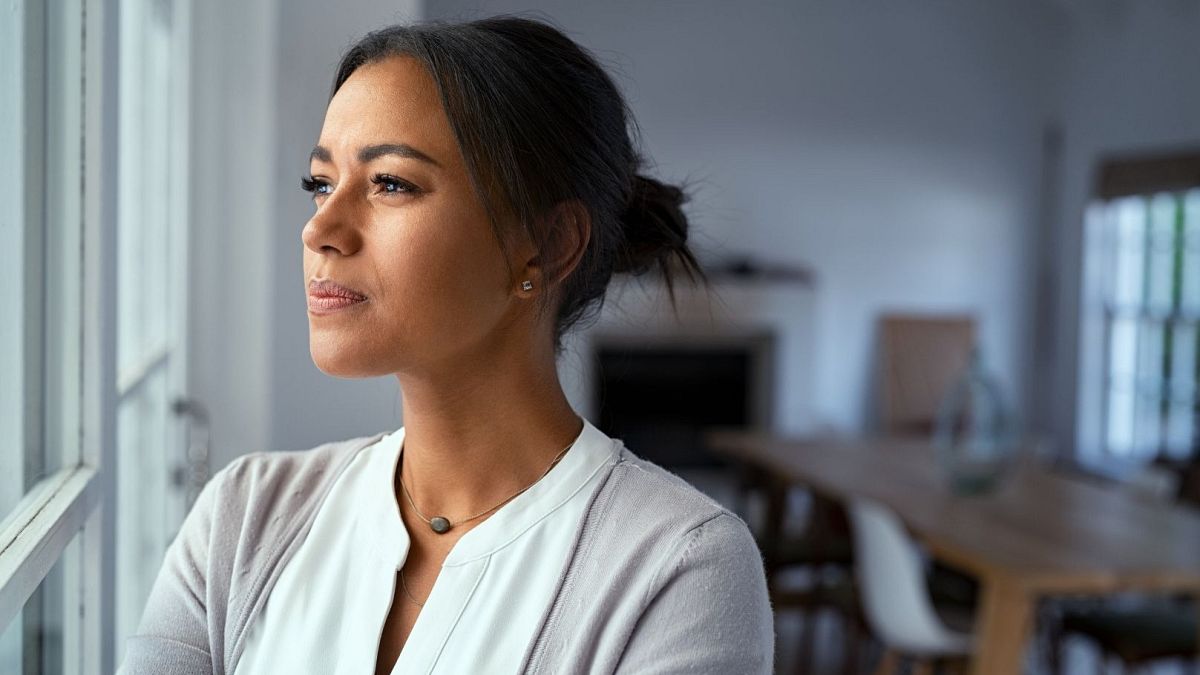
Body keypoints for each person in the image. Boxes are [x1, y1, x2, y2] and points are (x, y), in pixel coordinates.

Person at [120, 14, 773, 675]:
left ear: (546, 244)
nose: (321, 228)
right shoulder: (243, 517)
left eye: (391, 183)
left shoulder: (680, 569)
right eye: (321, 183)